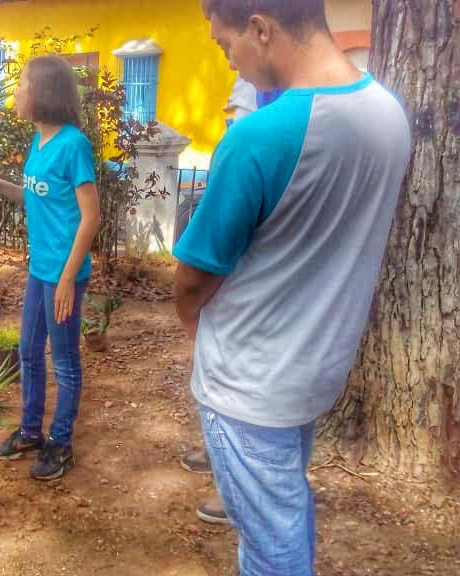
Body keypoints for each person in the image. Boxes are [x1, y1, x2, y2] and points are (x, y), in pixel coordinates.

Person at [173, 1, 410, 574]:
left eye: (226, 46)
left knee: (271, 552)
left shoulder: (261, 136)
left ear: (261, 28)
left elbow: (196, 274)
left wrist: (190, 321)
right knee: (284, 514)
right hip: (316, 368)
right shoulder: (389, 113)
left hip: (248, 382)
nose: (231, 63)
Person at [0, 55, 101, 481]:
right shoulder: (38, 142)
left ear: (43, 92)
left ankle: (61, 443)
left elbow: (91, 217)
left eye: (21, 84)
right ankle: (30, 432)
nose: (16, 92)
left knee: (65, 360)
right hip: (40, 268)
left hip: (64, 273)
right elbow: (42, 196)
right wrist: (1, 187)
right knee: (26, 352)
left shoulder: (73, 144)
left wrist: (67, 281)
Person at [181, 70, 284, 526]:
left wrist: (187, 310)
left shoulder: (264, 126)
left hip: (260, 295)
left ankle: (237, 491)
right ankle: (228, 469)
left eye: (227, 42)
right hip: (246, 289)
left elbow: (198, 270)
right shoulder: (259, 98)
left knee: (240, 390)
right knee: (225, 389)